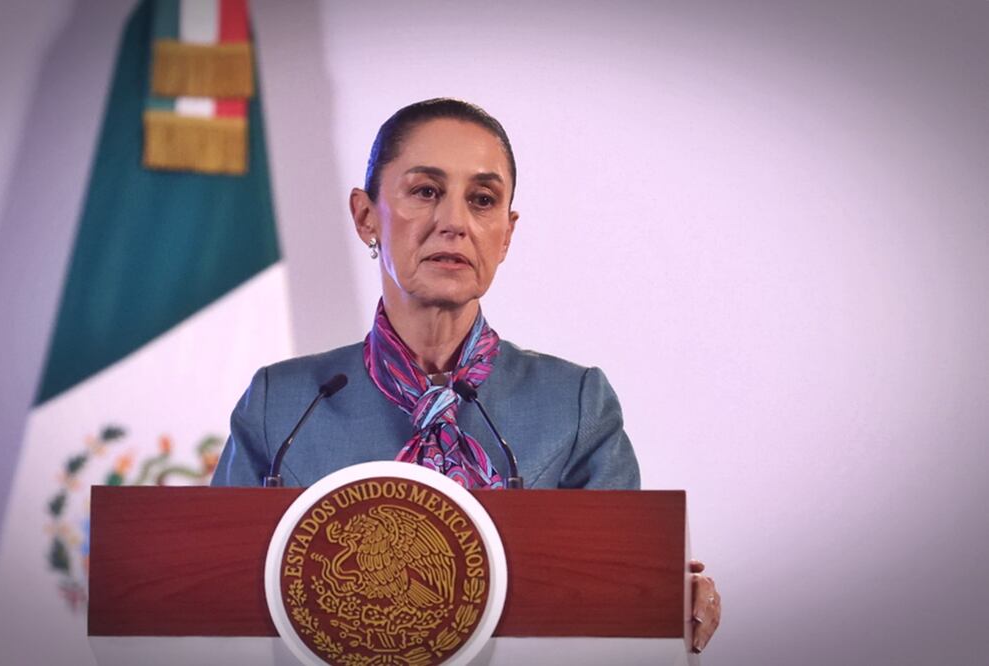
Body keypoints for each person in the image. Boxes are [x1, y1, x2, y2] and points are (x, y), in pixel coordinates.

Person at [211, 98, 720, 652]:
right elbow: (213, 596)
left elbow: (617, 599)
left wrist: (666, 595)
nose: (454, 223)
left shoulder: (575, 404)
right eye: (426, 191)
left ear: (506, 233)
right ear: (365, 216)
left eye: (482, 200)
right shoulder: (284, 406)